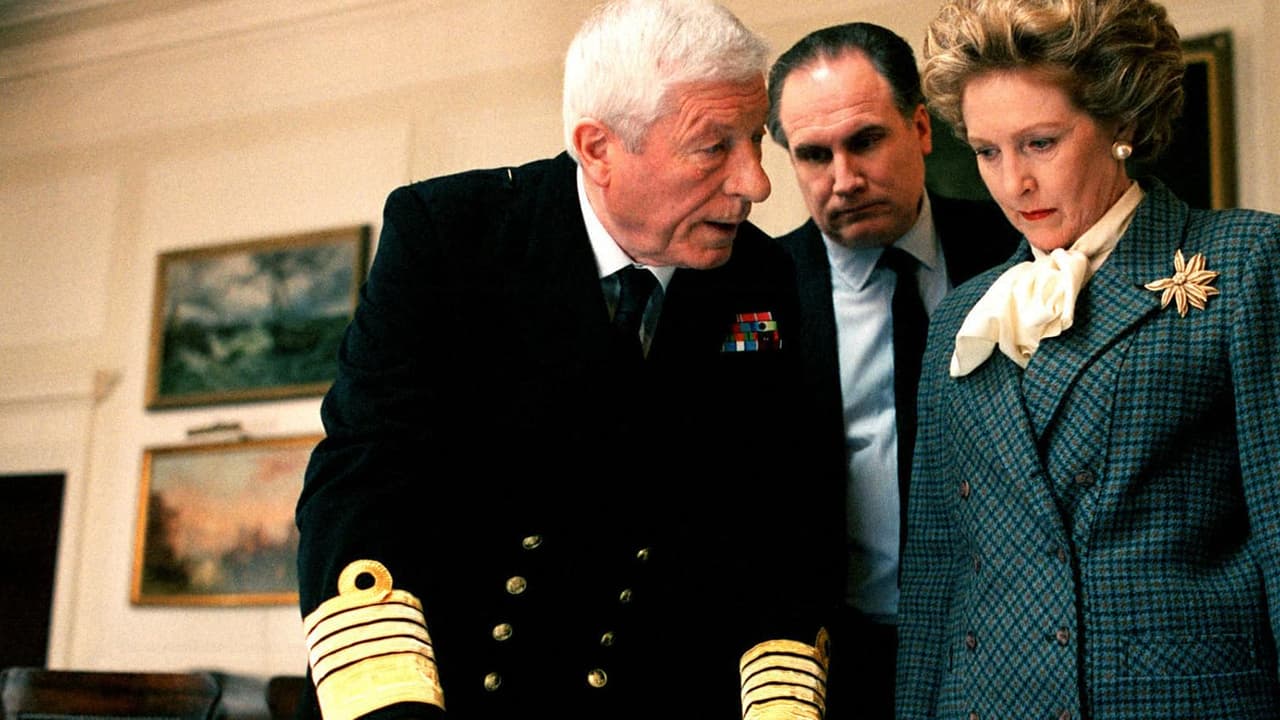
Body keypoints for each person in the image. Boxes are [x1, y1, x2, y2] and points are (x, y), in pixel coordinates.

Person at [294, 2, 840, 720]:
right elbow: (367, 471)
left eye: (755, 141)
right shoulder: (452, 237)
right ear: (598, 148)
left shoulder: (758, 279)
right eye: (714, 147)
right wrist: (390, 701)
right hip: (451, 687)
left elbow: (768, 502)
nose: (756, 183)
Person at [897, 0, 1280, 717]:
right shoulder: (962, 314)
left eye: (1040, 143)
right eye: (987, 152)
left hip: (1171, 700)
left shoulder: (1246, 261)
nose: (1012, 182)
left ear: (1121, 123)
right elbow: (936, 571)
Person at [764, 22, 1019, 719]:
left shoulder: (1015, 250)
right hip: (832, 656)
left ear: (921, 128)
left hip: (1004, 642)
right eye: (814, 155)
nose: (844, 179)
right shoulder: (757, 288)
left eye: (866, 140)